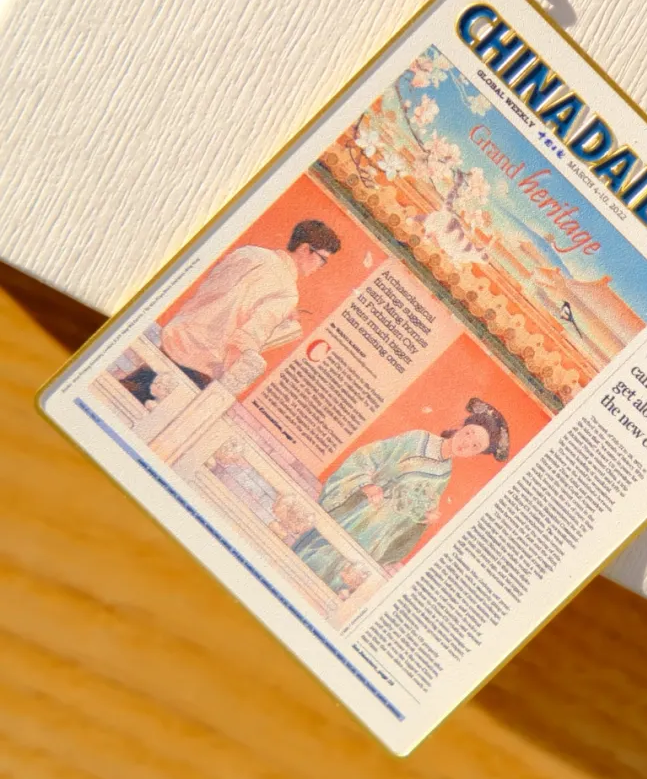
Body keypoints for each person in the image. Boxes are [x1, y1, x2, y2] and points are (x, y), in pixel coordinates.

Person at [293, 397, 510, 591]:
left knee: (339, 578)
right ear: (461, 426)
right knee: (319, 558)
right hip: (360, 513)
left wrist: (426, 518)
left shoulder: (445, 473)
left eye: (475, 446)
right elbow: (370, 455)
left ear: (475, 454)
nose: (466, 443)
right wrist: (367, 485)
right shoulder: (418, 439)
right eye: (469, 433)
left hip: (379, 536)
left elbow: (417, 508)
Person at [121, 219, 340, 402]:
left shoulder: (248, 253)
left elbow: (213, 292)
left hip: (176, 338)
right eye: (322, 260)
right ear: (305, 249)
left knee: (123, 395)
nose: (320, 267)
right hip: (203, 365)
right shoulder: (288, 293)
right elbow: (246, 339)